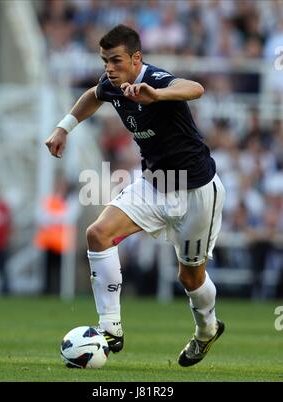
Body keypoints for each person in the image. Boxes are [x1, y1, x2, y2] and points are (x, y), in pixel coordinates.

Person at [45, 25, 226, 367]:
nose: (109, 68)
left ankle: (206, 330)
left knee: (190, 277)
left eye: (116, 61)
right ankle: (110, 328)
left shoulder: (155, 79)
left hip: (197, 191)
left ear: (136, 58)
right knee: (97, 234)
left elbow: (195, 88)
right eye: (105, 61)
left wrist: (156, 95)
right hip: (155, 183)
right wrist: (62, 128)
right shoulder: (111, 85)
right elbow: (92, 96)